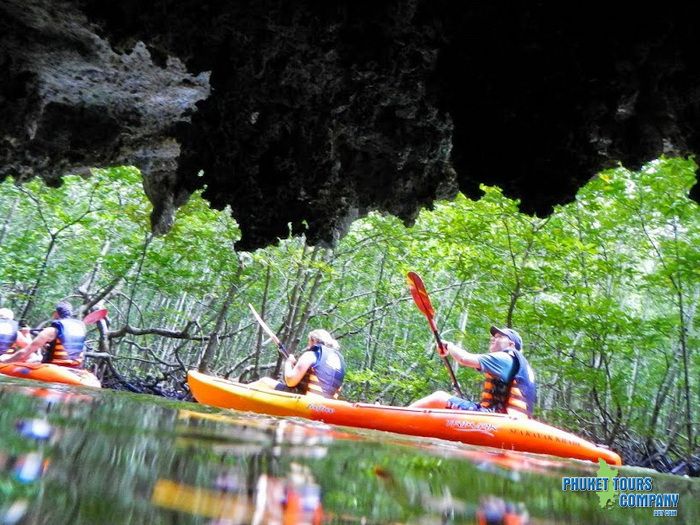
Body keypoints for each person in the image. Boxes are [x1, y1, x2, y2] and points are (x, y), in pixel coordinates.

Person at [409, 325, 537, 419]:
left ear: (511, 344)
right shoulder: (518, 363)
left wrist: (448, 345)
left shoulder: (506, 358)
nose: (493, 338)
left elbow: (464, 359)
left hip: (497, 418)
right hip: (510, 419)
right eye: (493, 336)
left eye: (499, 337)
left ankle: (394, 419)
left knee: (439, 397)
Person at [251, 329, 345, 399]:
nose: (308, 346)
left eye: (309, 342)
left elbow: (290, 381)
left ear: (314, 340)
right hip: (328, 405)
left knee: (264, 382)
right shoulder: (339, 360)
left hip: (307, 402)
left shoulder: (311, 354)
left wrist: (288, 363)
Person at [2, 302, 86, 368]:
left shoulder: (50, 331)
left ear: (56, 313)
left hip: (54, 368)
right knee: (34, 358)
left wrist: (5, 362)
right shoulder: (80, 329)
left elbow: (24, 352)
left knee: (33, 358)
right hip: (76, 368)